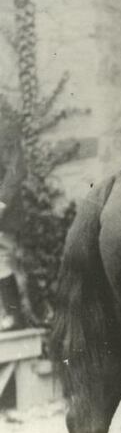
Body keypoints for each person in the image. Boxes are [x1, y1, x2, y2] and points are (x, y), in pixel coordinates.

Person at [0, 142, 26, 331]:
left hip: (4, 215)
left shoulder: (5, 127)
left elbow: (16, 170)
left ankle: (14, 316)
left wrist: (2, 202)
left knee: (3, 260)